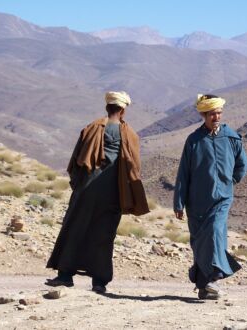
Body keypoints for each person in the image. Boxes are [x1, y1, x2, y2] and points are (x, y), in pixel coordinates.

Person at [46, 91, 149, 293]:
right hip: (113, 194)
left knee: (75, 228)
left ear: (107, 107)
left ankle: (65, 275)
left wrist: (78, 186)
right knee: (104, 235)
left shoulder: (91, 128)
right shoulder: (130, 135)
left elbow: (76, 163)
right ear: (123, 110)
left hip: (86, 191)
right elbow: (133, 169)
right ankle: (99, 282)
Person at [173, 94, 247, 300]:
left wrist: (230, 181)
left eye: (219, 113)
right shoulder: (194, 140)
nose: (216, 116)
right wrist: (179, 201)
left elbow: (243, 164)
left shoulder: (231, 137)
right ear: (204, 115)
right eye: (212, 114)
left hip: (222, 198)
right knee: (200, 243)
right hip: (196, 201)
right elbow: (183, 174)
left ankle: (214, 277)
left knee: (215, 232)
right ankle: (204, 287)